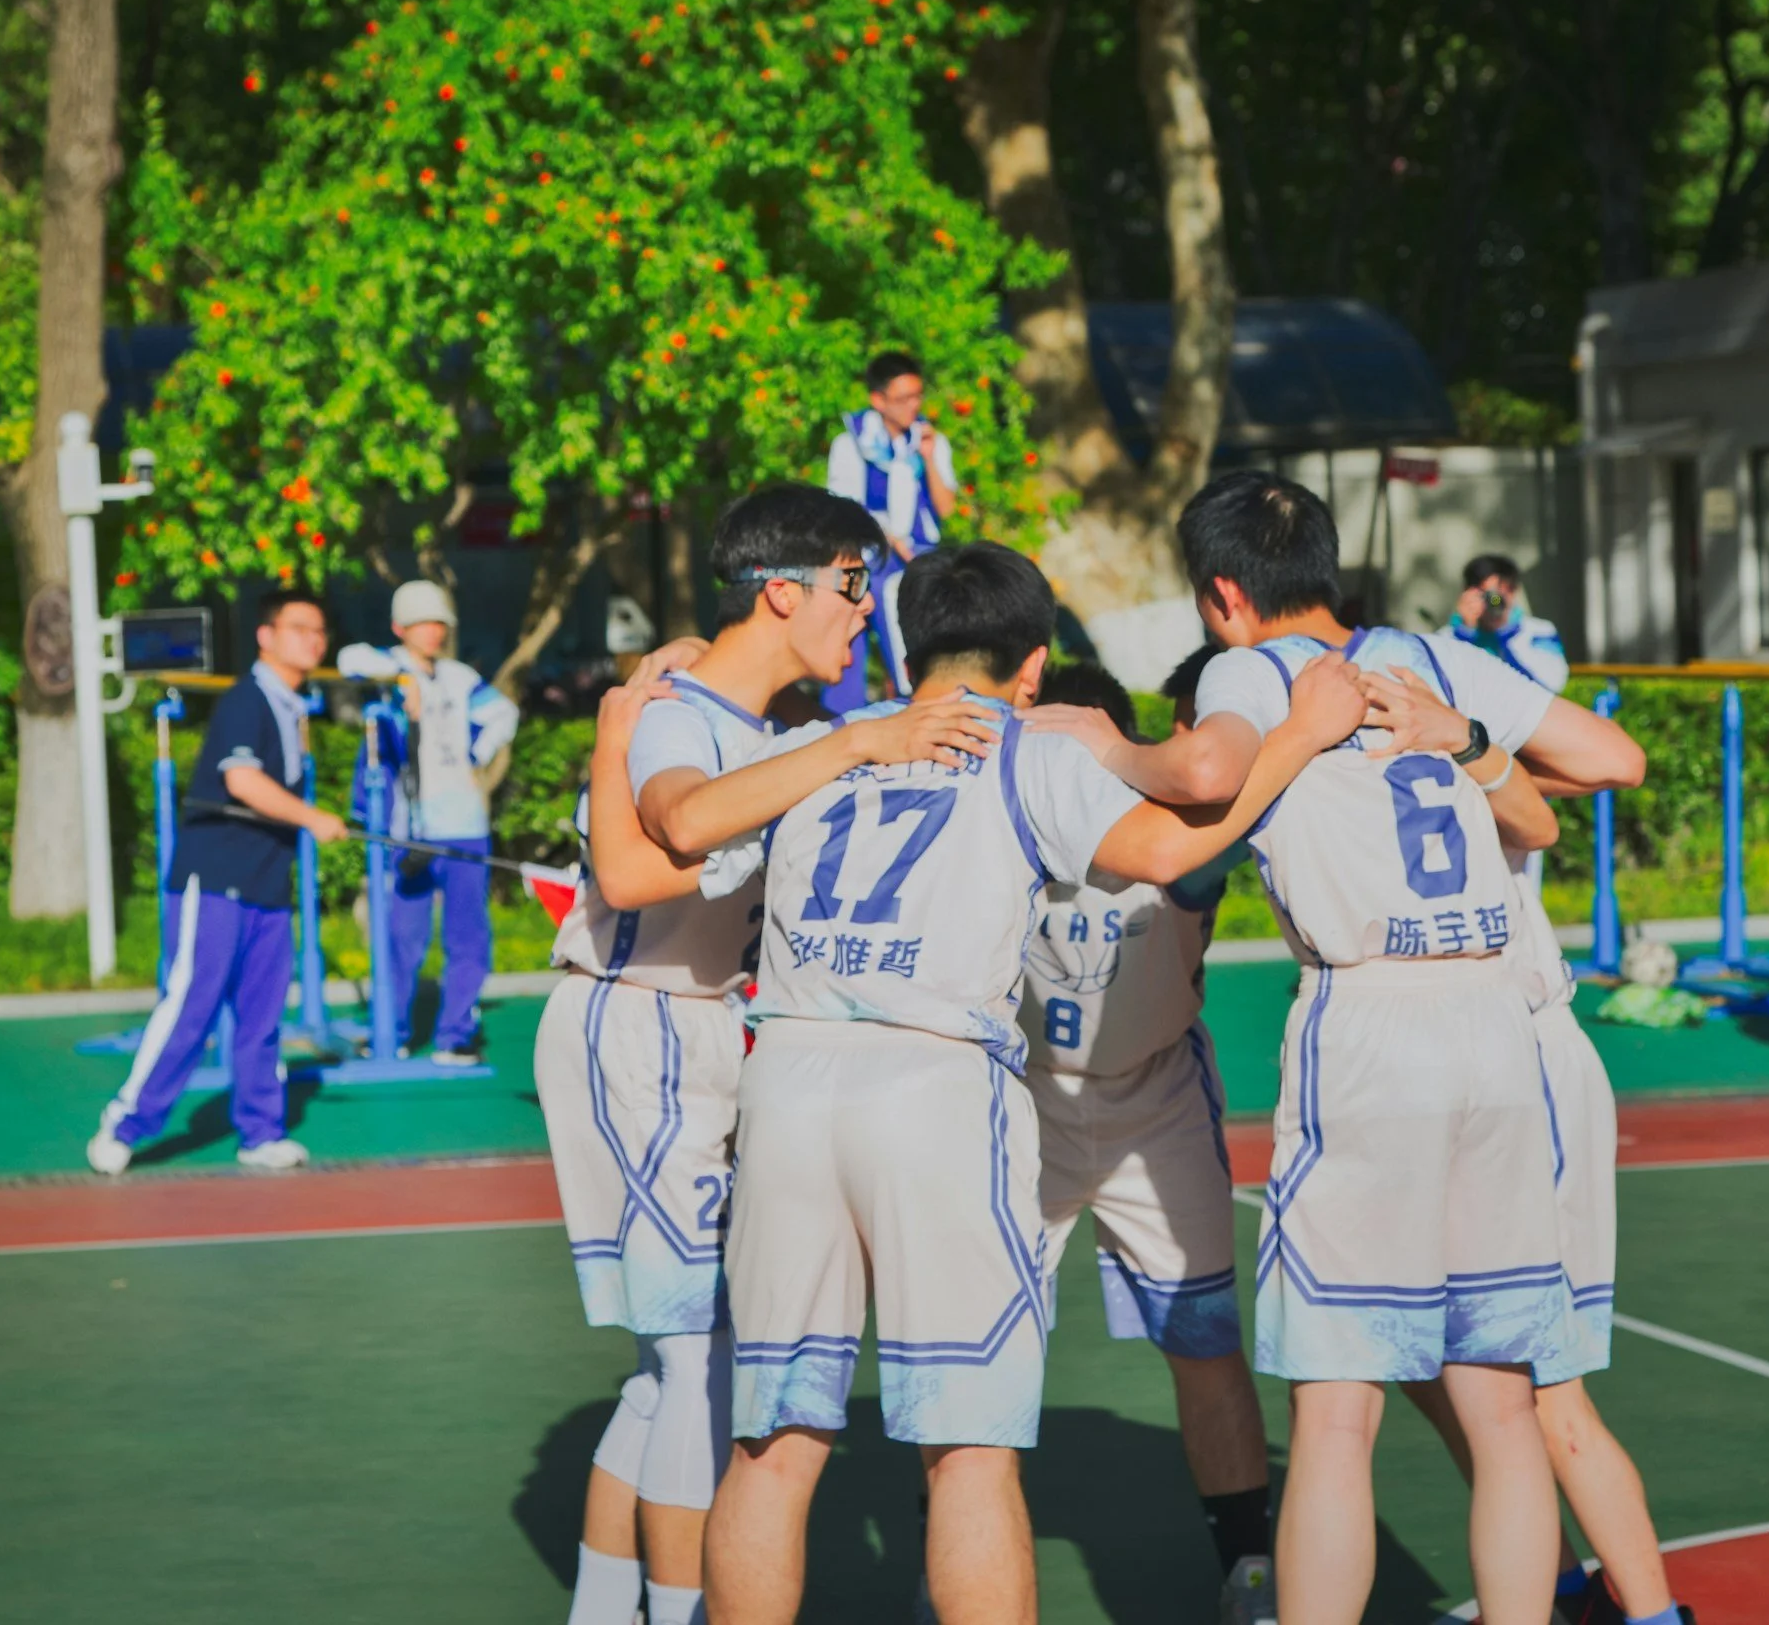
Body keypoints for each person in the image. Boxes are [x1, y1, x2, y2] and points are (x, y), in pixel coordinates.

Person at [639, 542, 1369, 1625]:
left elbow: (679, 824)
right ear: (1033, 667)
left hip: (786, 1082)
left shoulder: (816, 744)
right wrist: (1301, 732)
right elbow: (1173, 851)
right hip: (933, 1085)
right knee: (968, 1452)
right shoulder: (1029, 746)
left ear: (902, 641)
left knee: (773, 1444)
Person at [1032, 470, 1643, 1625]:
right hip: (1494, 1024)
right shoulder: (1433, 656)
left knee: (1337, 1408)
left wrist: (1111, 746)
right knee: (1502, 1402)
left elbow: (1206, 780)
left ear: (1222, 593)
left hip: (1369, 1022)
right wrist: (1462, 738)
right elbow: (1611, 760)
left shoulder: (1249, 672)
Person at [530, 484, 888, 1625]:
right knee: (699, 1361)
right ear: (783, 589)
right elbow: (651, 859)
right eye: (852, 583)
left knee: (669, 1361)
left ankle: (602, 1613)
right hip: (635, 1024)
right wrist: (856, 742)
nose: (866, 609)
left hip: (684, 1030)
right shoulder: (678, 716)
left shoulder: (762, 730)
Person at [1370, 675, 1695, 1625]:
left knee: (1544, 1389)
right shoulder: (1346, 760)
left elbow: (1614, 762)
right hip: (1449, 1073)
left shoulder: (1466, 742)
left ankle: (1648, 1613)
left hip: (1522, 1059)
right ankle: (1552, 1578)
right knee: (1434, 1367)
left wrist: (1470, 734)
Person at [1016, 656, 1275, 1624]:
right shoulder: (998, 817)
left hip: (1156, 1097)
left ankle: (1247, 1566)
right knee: (977, 1342)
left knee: (1203, 1340)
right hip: (1024, 1100)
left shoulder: (1179, 844)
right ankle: (942, 1552)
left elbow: (1244, 790)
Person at [87, 590, 349, 1175]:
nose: (313, 639)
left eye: (319, 629)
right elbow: (242, 781)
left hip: (267, 887)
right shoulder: (247, 699)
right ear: (267, 635)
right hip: (217, 879)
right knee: (192, 1006)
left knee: (261, 1019)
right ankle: (127, 1123)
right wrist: (315, 819)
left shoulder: (292, 706)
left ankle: (260, 1132)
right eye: (300, 626)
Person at [337, 580, 520, 1064]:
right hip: (407, 829)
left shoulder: (460, 678)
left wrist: (476, 754)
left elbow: (504, 713)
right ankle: (391, 1029)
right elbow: (348, 659)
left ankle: (455, 1033)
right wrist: (402, 680)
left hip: (463, 823)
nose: (434, 631)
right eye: (423, 622)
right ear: (400, 628)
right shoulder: (385, 669)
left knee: (468, 934)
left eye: (440, 622)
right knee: (402, 936)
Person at [821, 350, 958, 713]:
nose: (913, 406)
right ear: (878, 400)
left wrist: (928, 457)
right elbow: (845, 506)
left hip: (919, 559)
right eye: (903, 398)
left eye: (917, 396)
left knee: (914, 641)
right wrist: (894, 540)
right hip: (867, 560)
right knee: (846, 637)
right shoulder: (849, 444)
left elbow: (947, 508)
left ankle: (918, 706)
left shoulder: (931, 441)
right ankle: (838, 719)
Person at [1446, 553, 1570, 691]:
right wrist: (1465, 634)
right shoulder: (1447, 637)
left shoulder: (1539, 631)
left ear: (1513, 591)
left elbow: (1554, 683)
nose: (1494, 603)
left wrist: (1505, 633)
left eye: (1498, 597)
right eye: (1487, 596)